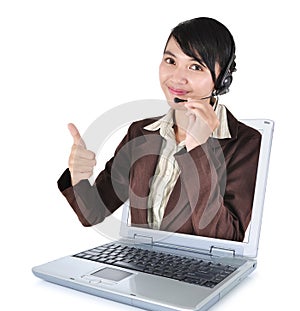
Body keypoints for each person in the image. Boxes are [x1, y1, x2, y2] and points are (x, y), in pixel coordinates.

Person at [57, 17, 261, 242]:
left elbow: (227, 238)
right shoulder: (141, 132)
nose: (177, 77)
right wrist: (78, 177)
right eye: (170, 60)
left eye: (195, 66)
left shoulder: (246, 142)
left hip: (199, 271)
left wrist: (198, 149)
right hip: (141, 263)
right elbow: (92, 213)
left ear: (222, 80)